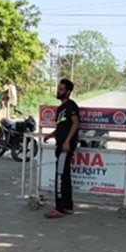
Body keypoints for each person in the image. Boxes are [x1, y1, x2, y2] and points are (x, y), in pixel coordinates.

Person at [43, 79, 80, 219]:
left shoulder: (71, 106)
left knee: (59, 176)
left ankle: (59, 208)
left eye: (61, 89)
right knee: (65, 176)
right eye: (58, 88)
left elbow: (76, 124)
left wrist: (67, 141)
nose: (58, 91)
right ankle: (68, 206)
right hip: (60, 144)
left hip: (65, 146)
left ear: (68, 92)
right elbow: (61, 127)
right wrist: (51, 134)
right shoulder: (60, 109)